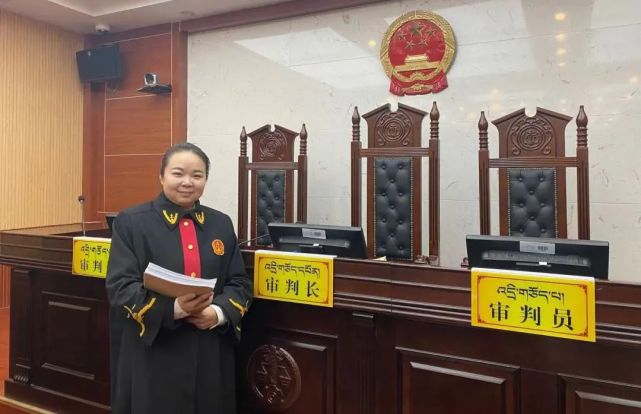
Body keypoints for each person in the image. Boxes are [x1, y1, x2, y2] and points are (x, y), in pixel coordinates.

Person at [106, 142, 252, 414]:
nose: (187, 182)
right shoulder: (132, 222)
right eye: (178, 173)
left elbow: (239, 283)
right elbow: (120, 286)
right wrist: (174, 309)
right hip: (155, 349)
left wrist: (218, 313)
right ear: (161, 176)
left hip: (209, 350)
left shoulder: (221, 223)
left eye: (197, 175)